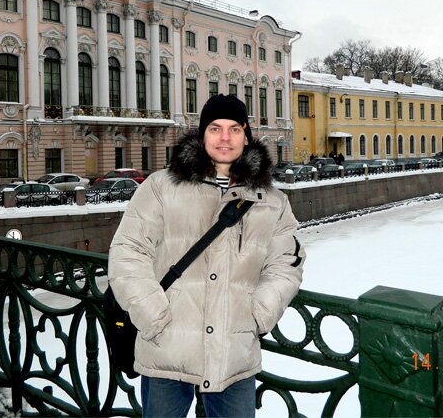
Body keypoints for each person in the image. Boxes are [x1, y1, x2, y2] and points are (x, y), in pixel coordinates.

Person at [108, 94, 305, 418]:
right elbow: (128, 252)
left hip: (234, 354)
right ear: (202, 135)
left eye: (233, 129)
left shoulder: (271, 201)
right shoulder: (162, 187)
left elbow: (287, 263)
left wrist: (259, 314)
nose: (224, 138)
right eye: (215, 128)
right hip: (166, 349)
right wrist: (154, 315)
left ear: (246, 134)